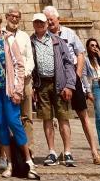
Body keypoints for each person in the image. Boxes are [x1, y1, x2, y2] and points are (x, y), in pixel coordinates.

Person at [43, 6, 100, 165]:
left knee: (83, 115)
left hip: (73, 77)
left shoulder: (69, 33)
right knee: (61, 116)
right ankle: (65, 151)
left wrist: (76, 77)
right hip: (55, 79)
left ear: (58, 19)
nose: (50, 22)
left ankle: (95, 152)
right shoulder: (44, 36)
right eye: (47, 20)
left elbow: (80, 54)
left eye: (52, 19)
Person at [0, 12, 36, 178]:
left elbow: (19, 64)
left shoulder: (8, 39)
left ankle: (28, 160)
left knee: (14, 122)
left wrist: (18, 90)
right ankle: (10, 163)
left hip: (8, 88)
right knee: (0, 125)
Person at [30, 12, 76, 166]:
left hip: (59, 83)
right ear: (33, 24)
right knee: (47, 118)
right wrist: (33, 87)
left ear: (46, 24)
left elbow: (68, 63)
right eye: (37, 22)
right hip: (41, 85)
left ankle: (67, 152)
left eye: (42, 22)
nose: (39, 24)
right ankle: (52, 152)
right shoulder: (30, 42)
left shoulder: (57, 40)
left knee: (63, 117)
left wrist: (69, 85)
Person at [5, 6, 34, 153]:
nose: (14, 19)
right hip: (8, 82)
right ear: (7, 17)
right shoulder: (1, 35)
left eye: (17, 17)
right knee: (11, 116)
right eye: (12, 16)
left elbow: (29, 58)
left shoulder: (24, 36)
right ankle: (15, 151)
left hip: (25, 80)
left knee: (27, 116)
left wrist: (23, 74)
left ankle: (28, 150)